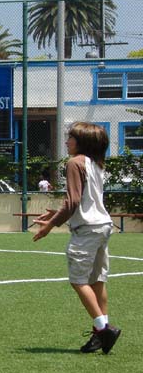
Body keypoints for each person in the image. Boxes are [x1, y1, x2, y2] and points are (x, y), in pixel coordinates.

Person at [33, 122, 121, 354]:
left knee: (78, 281)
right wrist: (56, 213)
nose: (66, 141)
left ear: (82, 142)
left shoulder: (75, 162)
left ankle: (103, 330)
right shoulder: (96, 164)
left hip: (87, 229)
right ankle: (100, 334)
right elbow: (85, 201)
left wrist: (50, 225)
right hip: (102, 226)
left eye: (70, 138)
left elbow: (73, 202)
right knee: (97, 281)